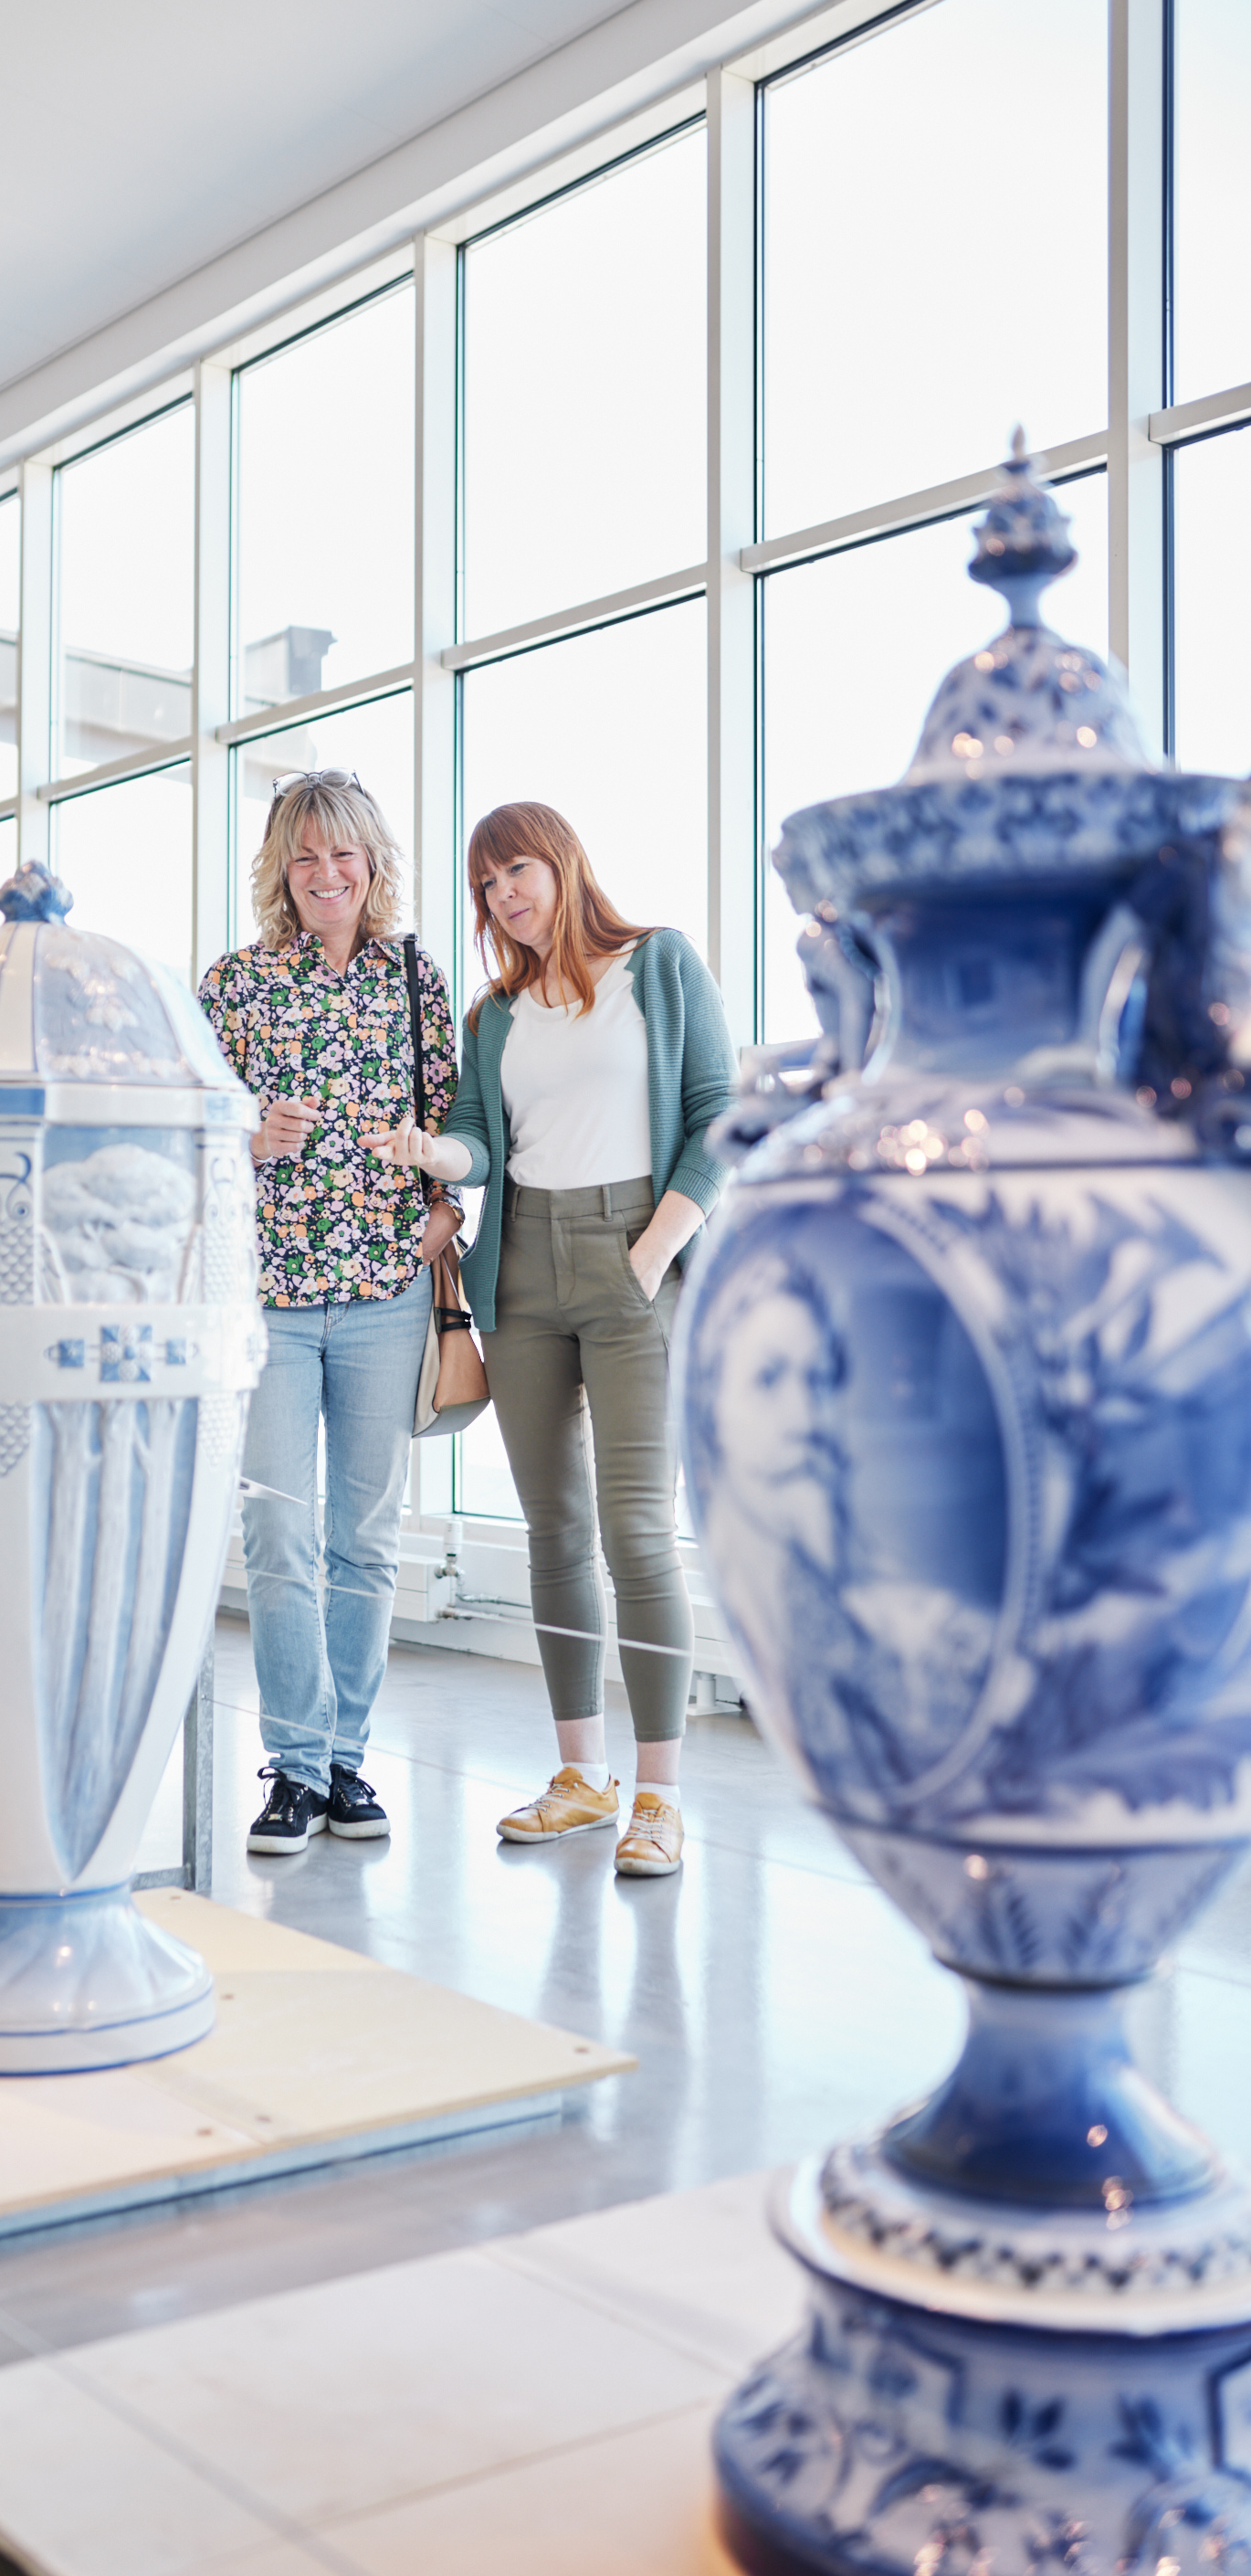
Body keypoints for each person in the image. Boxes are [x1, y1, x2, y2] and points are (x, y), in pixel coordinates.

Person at [363, 801, 733, 1875]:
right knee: (554, 1534)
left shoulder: (657, 967)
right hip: (523, 1271)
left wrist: (657, 1251)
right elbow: (482, 1135)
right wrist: (437, 1156)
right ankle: (582, 1776)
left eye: (515, 870)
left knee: (637, 1534)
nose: (503, 897)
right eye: (485, 886)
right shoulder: (493, 1016)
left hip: (633, 1260)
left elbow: (716, 1112)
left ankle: (657, 1794)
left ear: (561, 862)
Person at [199, 770, 462, 1855]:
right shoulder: (233, 985)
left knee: (363, 1536)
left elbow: (458, 1118)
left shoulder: (414, 977)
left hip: (386, 1291)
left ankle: (344, 1759)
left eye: (341, 853)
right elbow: (185, 1124)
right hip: (267, 1296)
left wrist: (448, 1204)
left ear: (372, 861)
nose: (324, 874)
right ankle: (294, 1767)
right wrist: (244, 1136)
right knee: (275, 1529)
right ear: (279, 869)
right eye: (302, 856)